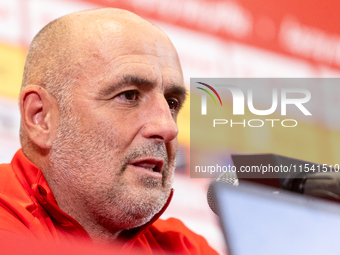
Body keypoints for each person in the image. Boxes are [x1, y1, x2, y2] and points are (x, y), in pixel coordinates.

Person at [0, 8, 218, 255]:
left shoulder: (185, 247)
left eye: (171, 103)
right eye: (129, 96)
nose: (168, 127)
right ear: (40, 117)